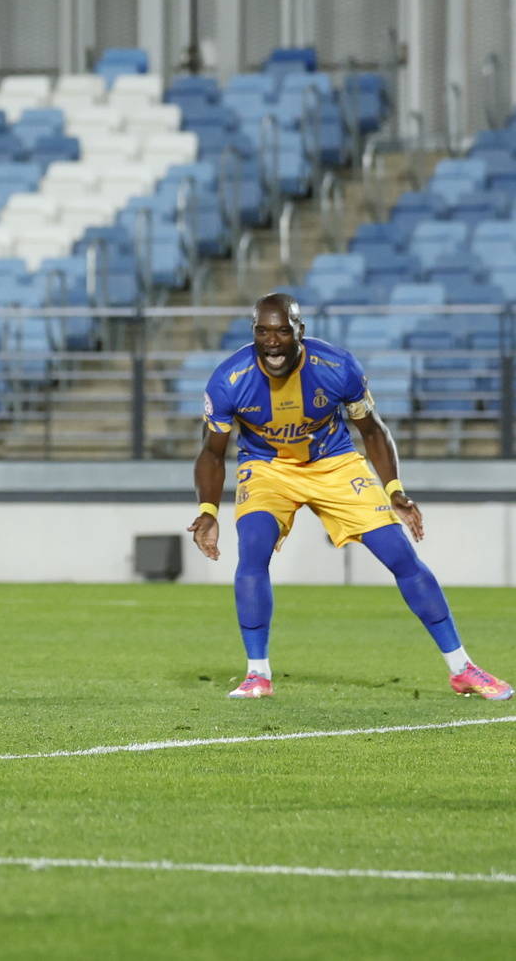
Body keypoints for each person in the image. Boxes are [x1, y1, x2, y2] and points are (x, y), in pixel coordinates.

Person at [189, 293, 512, 701]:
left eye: (282, 331)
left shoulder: (337, 367)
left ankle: (462, 668)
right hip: (268, 468)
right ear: (253, 332)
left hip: (335, 464)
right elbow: (212, 452)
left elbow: (373, 431)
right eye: (263, 331)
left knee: (400, 556)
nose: (272, 341)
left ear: (299, 332)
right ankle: (258, 674)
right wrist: (207, 510)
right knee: (252, 550)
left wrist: (395, 490)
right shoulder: (227, 380)